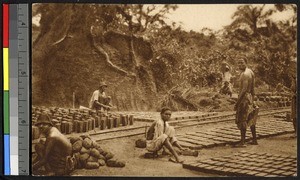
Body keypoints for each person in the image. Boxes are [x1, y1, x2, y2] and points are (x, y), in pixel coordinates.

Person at [234, 58, 259, 147]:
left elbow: (244, 89)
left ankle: (243, 142)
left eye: (242, 62)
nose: (240, 64)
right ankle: (254, 140)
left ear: (246, 63)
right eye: (239, 63)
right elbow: (253, 88)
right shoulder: (251, 72)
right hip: (250, 97)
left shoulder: (245, 74)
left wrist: (237, 103)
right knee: (251, 118)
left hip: (244, 99)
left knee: (242, 119)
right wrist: (253, 97)